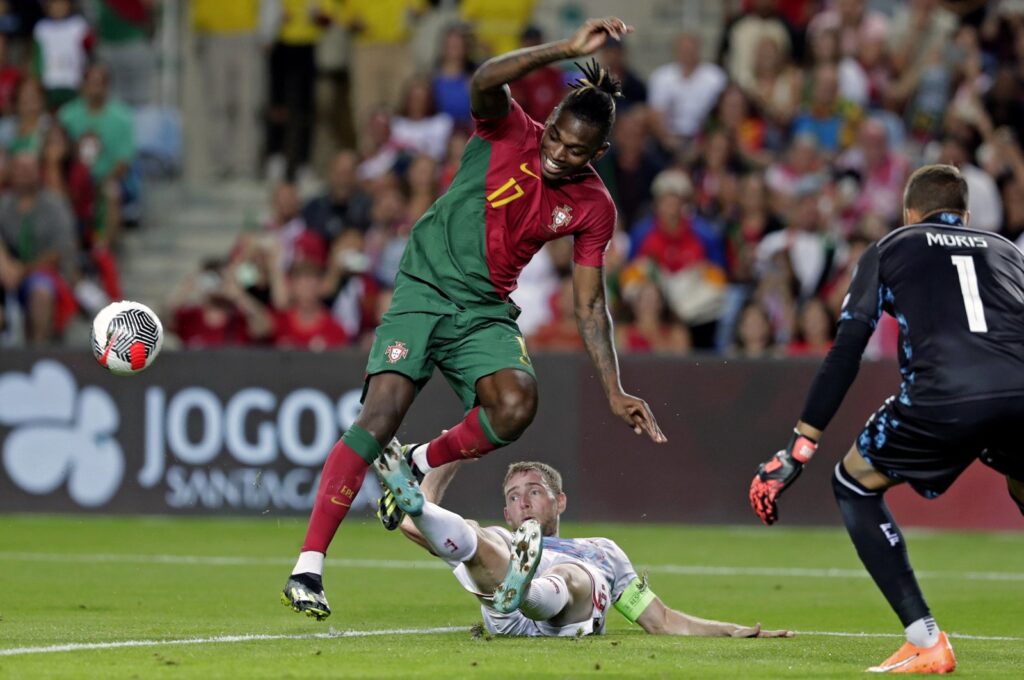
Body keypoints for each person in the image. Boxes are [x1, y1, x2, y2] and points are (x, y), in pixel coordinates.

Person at [281, 17, 666, 621]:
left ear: (600, 153)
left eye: (577, 150)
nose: (560, 155)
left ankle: (422, 462)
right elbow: (487, 77)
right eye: (557, 139)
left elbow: (589, 302)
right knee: (380, 414)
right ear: (551, 123)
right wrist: (563, 49)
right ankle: (309, 567)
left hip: (485, 308)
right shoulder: (509, 129)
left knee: (516, 403)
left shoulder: (594, 205)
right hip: (425, 286)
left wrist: (614, 389)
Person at [749, 164, 1024, 674]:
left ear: (909, 213)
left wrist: (798, 449)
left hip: (943, 394)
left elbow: (849, 349)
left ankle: (925, 640)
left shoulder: (892, 246)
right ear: (964, 214)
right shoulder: (1008, 249)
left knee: (852, 483)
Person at [377, 450, 793, 639]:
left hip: (564, 612)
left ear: (560, 502)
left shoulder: (602, 549)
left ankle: (525, 589)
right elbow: (415, 528)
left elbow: (659, 621)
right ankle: (515, 587)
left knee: (571, 574)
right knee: (475, 537)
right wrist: (447, 457)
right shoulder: (501, 532)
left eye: (534, 491)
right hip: (507, 611)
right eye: (512, 496)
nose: (522, 500)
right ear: (507, 513)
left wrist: (729, 630)